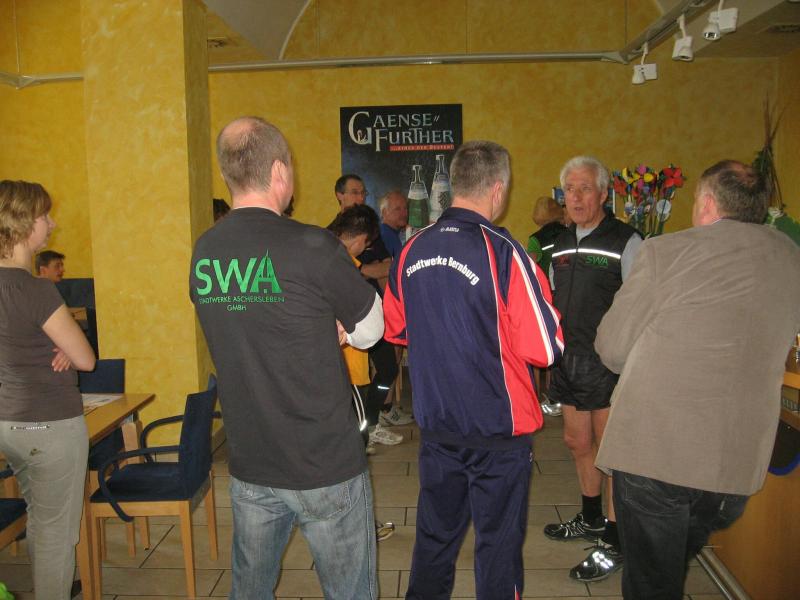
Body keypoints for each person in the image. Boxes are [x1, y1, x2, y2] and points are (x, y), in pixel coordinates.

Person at [190, 117, 384, 599]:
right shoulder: (312, 245)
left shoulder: (205, 251)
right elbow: (371, 330)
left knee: (250, 591)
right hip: (324, 462)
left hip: (251, 460)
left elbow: (246, 325)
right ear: (278, 171)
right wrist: (339, 329)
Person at [594, 160, 800, 600]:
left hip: (656, 454)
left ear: (707, 203)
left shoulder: (665, 252)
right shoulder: (790, 257)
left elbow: (611, 349)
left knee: (652, 582)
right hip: (735, 464)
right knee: (671, 566)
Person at [384, 141, 564, 599]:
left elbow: (396, 327)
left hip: (438, 427)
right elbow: (546, 348)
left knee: (434, 543)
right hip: (497, 431)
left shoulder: (411, 249)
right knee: (498, 548)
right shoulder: (506, 253)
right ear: (498, 189)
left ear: (455, 184)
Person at [542, 155, 642, 583]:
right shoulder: (561, 242)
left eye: (585, 188)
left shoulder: (627, 240)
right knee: (576, 441)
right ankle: (591, 519)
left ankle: (616, 540)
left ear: (603, 193)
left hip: (608, 362)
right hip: (570, 360)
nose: (577, 197)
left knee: (610, 452)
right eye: (570, 189)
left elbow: (642, 302)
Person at [0, 180, 96, 599]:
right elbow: (86, 359)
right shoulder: (36, 289)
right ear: (23, 223)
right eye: (44, 216)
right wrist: (65, 347)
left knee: (40, 519)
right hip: (50, 426)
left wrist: (55, 346)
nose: (51, 224)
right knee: (58, 533)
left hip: (8, 423)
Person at [332, 175, 412, 429]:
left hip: (375, 313)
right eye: (355, 192)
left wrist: (370, 272)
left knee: (388, 369)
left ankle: (375, 418)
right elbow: (362, 272)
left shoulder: (373, 233)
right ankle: (363, 428)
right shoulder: (328, 236)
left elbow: (388, 268)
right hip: (345, 320)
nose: (360, 197)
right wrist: (368, 269)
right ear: (340, 195)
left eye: (363, 193)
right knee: (350, 380)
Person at [527, 196, 568, 417]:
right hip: (566, 291)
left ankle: (538, 393)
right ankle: (556, 390)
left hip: (546, 295)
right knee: (563, 340)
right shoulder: (568, 233)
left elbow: (531, 269)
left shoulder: (535, 239)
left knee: (547, 339)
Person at [527, 196, 567, 273]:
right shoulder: (570, 233)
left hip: (546, 279)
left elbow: (530, 269)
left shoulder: (535, 240)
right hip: (569, 278)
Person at [378, 190, 409, 259]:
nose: (404, 213)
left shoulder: (391, 232)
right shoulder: (386, 235)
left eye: (405, 208)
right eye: (397, 209)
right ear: (384, 212)